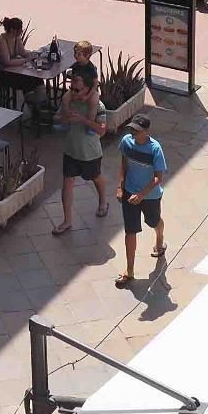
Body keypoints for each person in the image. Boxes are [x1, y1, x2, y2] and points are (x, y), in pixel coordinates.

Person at [51, 62, 108, 236]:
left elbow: (102, 130)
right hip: (71, 150)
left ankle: (103, 201)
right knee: (67, 182)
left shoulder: (97, 106)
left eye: (77, 90)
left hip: (90, 153)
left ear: (88, 89)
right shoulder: (68, 101)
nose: (73, 93)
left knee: (95, 177)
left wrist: (83, 120)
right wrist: (65, 119)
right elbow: (56, 119)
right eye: (71, 88)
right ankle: (67, 220)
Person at [115, 114, 167, 288]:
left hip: (150, 196)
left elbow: (158, 177)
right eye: (132, 129)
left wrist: (142, 195)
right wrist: (120, 187)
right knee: (130, 231)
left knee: (154, 221)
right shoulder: (126, 142)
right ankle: (129, 271)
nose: (133, 133)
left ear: (146, 131)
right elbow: (124, 164)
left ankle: (160, 237)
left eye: (137, 131)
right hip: (129, 192)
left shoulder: (155, 149)